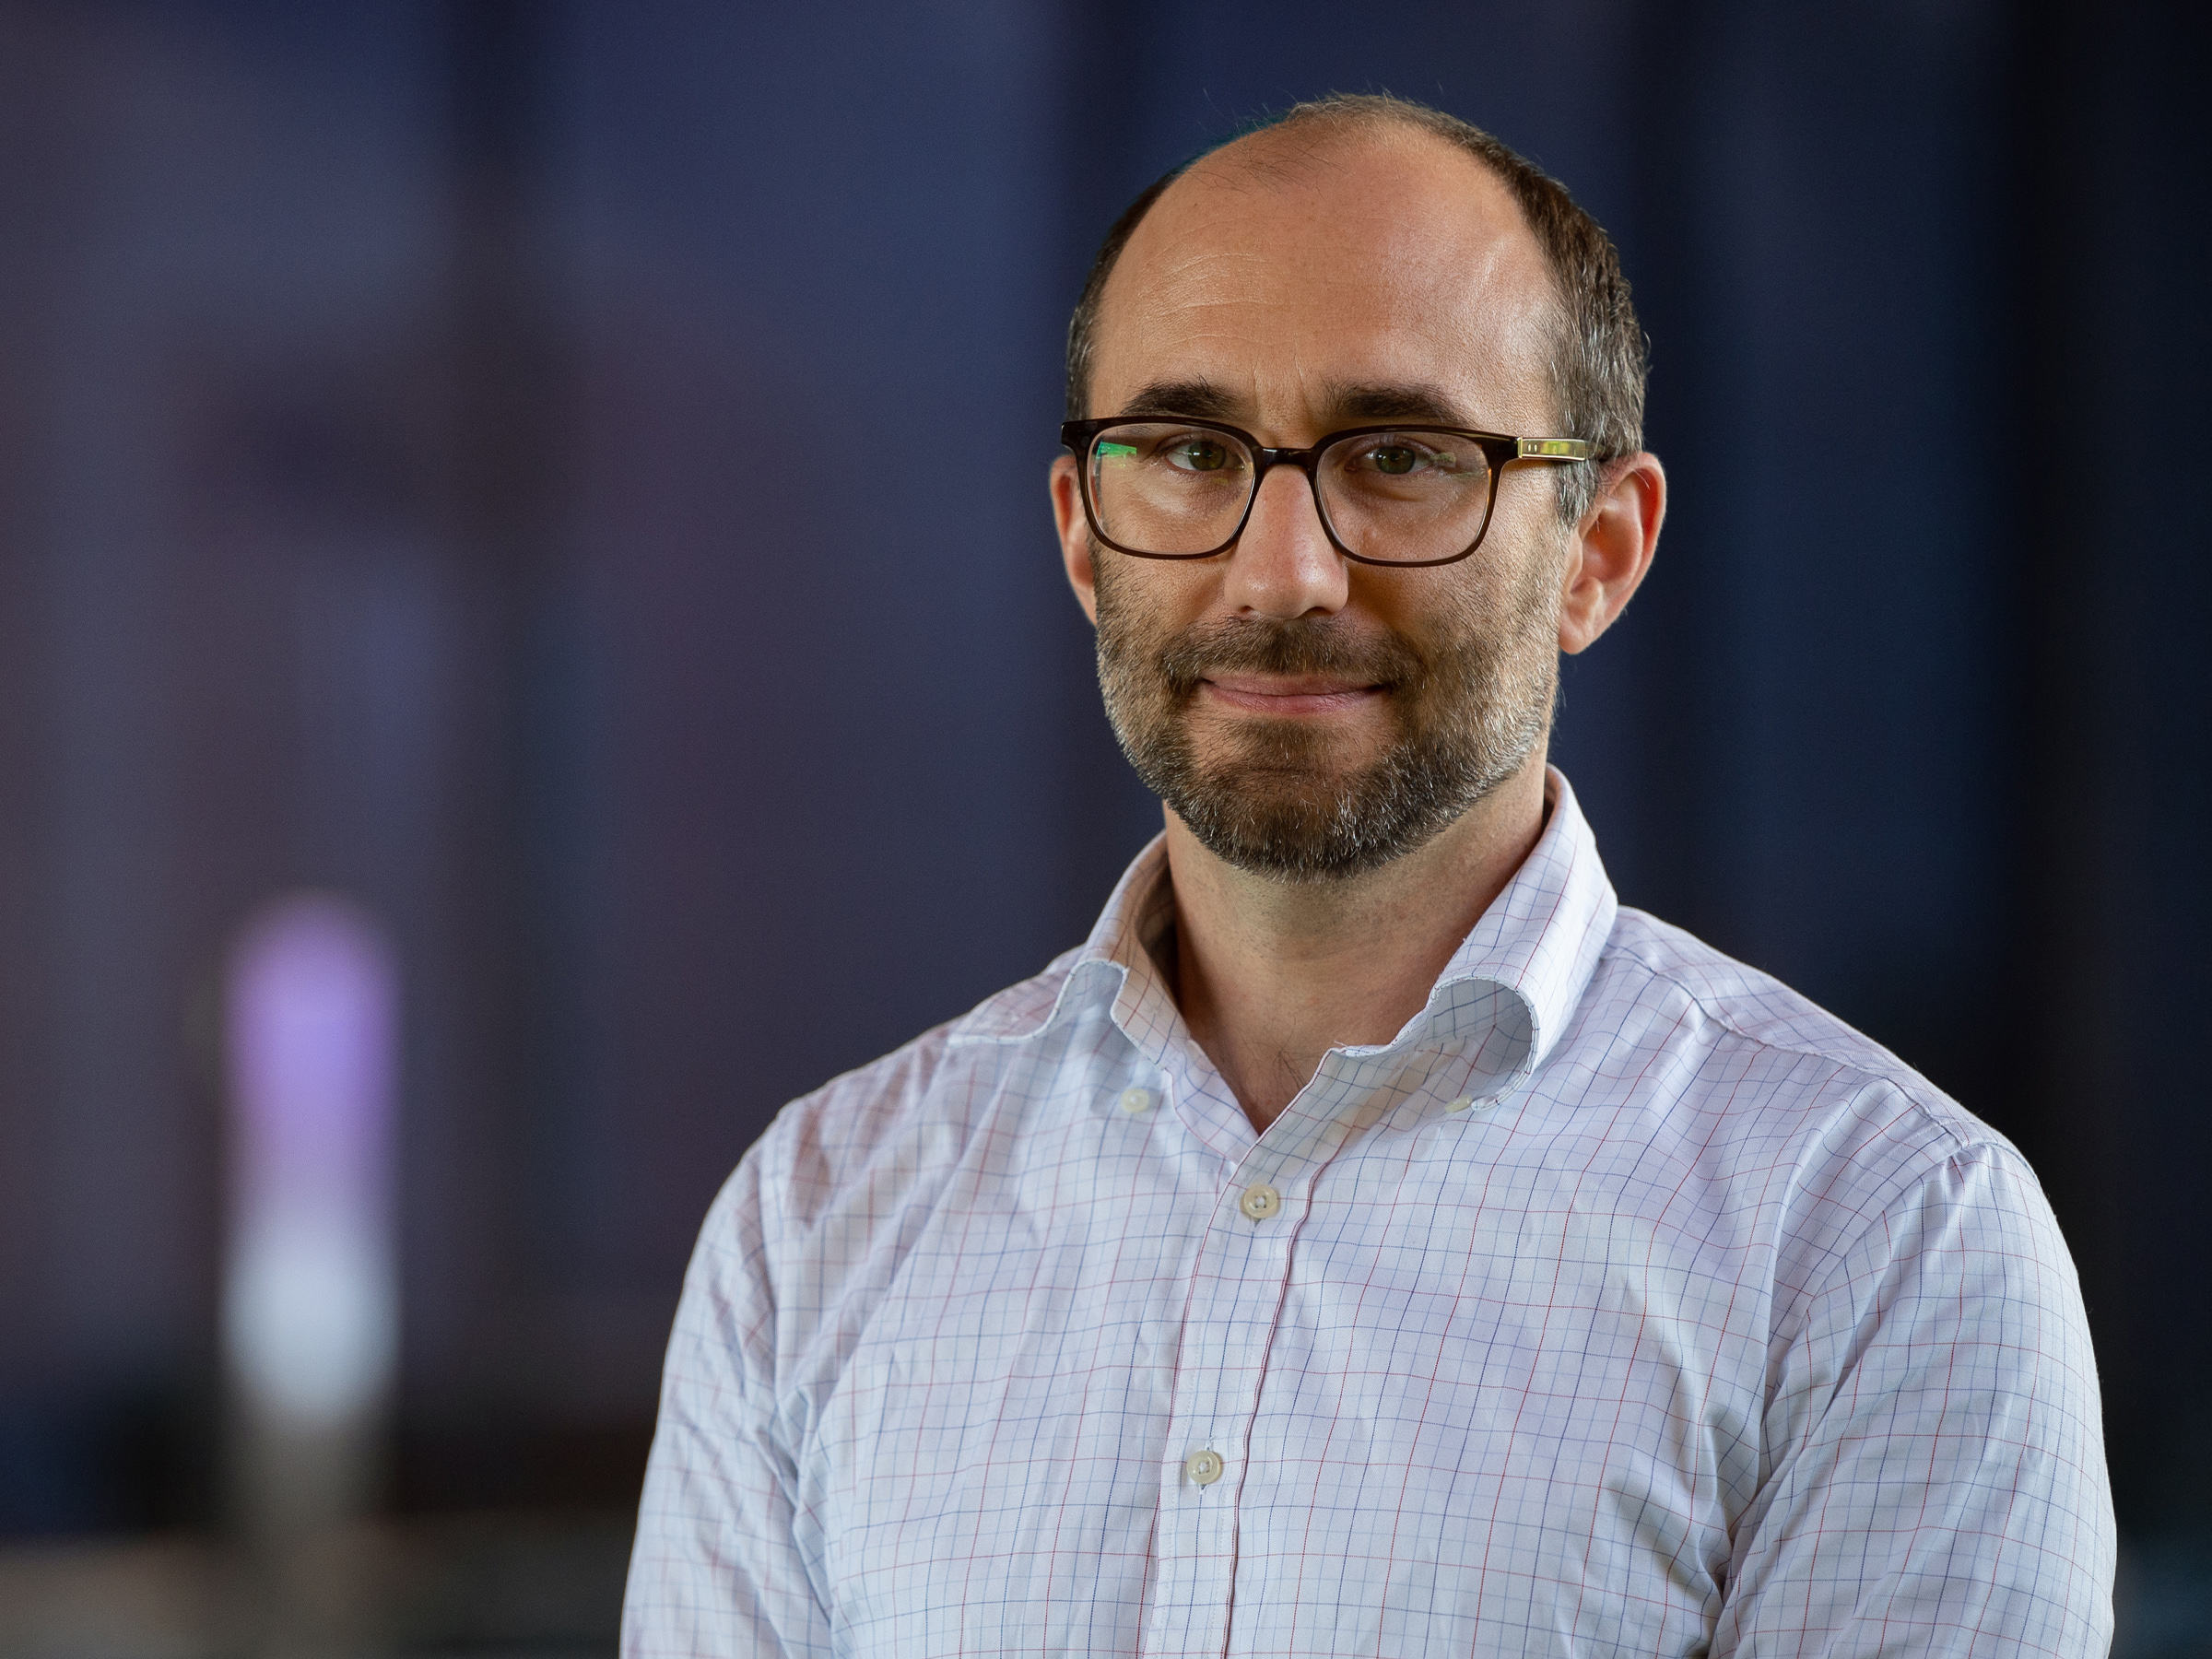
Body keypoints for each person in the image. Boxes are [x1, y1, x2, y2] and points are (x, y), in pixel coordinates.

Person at [623, 94, 2113, 1656]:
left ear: (1597, 549)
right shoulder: (814, 1224)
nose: (1282, 575)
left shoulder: (1885, 1243)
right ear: (1083, 535)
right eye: (1191, 453)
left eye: (1399, 456)